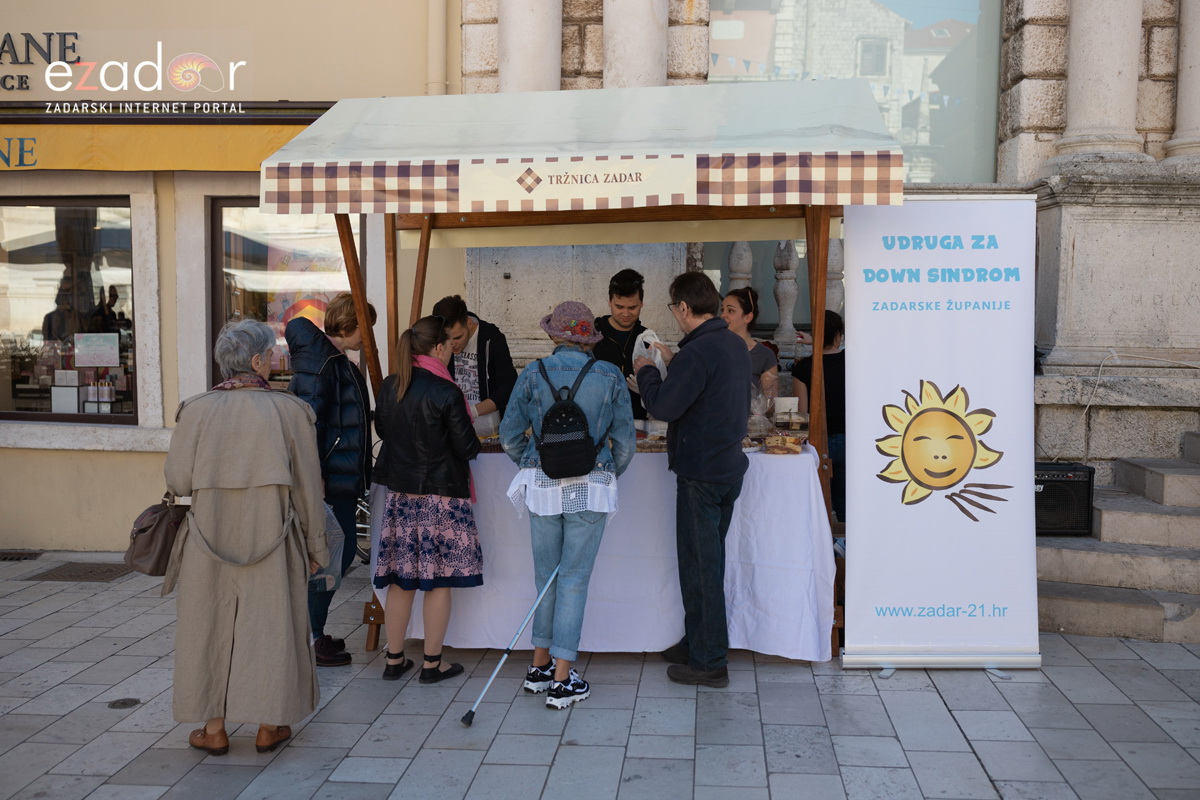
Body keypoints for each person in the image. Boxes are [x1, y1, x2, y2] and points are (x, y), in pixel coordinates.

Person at [164, 319, 328, 757]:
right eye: (271, 354)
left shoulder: (194, 409)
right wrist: (317, 548)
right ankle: (267, 726)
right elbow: (309, 490)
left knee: (208, 627)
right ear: (256, 361)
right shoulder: (291, 412)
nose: (275, 361)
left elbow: (178, 479)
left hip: (207, 538)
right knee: (272, 626)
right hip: (272, 536)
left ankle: (213, 730)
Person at [499, 301, 636, 709]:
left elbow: (509, 436)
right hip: (589, 486)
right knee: (574, 579)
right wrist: (607, 472)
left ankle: (540, 667)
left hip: (542, 485)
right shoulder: (609, 375)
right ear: (588, 338)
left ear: (553, 335)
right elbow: (625, 443)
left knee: (547, 578)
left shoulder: (532, 373)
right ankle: (562, 680)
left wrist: (533, 462)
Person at [633, 272, 750, 688]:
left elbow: (664, 406)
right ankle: (698, 642)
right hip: (726, 468)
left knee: (701, 568)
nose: (674, 314)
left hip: (702, 472)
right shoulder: (732, 344)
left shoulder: (698, 353)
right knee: (707, 563)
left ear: (683, 308)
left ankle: (708, 661)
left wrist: (647, 371)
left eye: (673, 308)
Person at [372, 315, 482, 684]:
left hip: (401, 496)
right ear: (438, 348)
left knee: (401, 579)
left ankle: (394, 659)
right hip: (442, 497)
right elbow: (467, 448)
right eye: (450, 345)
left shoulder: (391, 386)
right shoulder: (445, 391)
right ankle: (433, 665)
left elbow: (385, 430)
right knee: (438, 581)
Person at [286, 292, 377, 667]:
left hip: (338, 477)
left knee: (334, 557)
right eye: (365, 327)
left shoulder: (335, 360)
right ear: (348, 325)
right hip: (326, 480)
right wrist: (315, 476)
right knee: (327, 559)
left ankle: (314, 633)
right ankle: (309, 637)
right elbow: (308, 423)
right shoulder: (320, 362)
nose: (367, 334)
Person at [430, 294, 518, 435]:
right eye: (447, 339)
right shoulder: (437, 340)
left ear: (468, 322)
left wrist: (472, 411)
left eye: (458, 337)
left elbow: (508, 386)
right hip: (451, 429)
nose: (452, 344)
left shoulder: (492, 338)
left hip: (489, 428)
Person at [793, 310, 846, 522]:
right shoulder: (853, 362)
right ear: (839, 335)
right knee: (846, 503)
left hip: (819, 442)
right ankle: (844, 545)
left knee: (821, 502)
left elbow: (802, 412)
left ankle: (826, 545)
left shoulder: (804, 367)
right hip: (851, 438)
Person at [593, 268, 649, 420]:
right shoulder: (591, 336)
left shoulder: (648, 340)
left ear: (642, 303)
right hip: (596, 424)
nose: (626, 314)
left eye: (632, 307)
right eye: (619, 307)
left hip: (636, 424)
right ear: (609, 302)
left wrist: (648, 389)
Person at [721, 287, 779, 398]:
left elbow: (770, 403)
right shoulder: (712, 348)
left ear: (748, 317)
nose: (723, 315)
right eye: (722, 310)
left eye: (730, 310)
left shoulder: (764, 355)